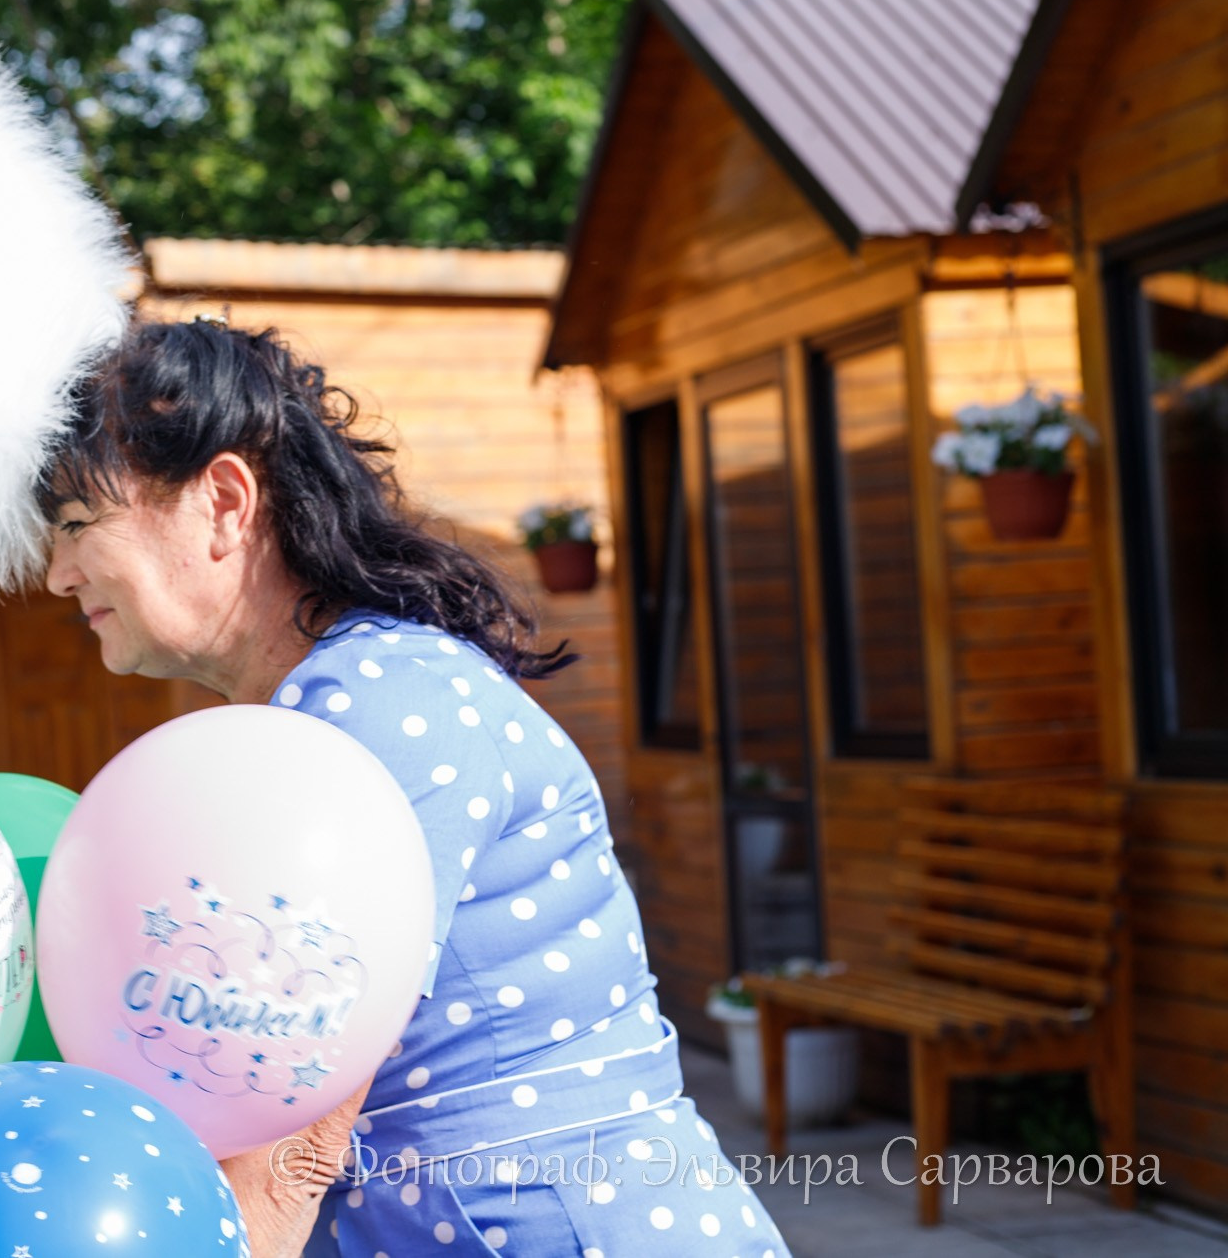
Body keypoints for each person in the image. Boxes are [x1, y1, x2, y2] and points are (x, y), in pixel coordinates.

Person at [40, 318, 793, 1258]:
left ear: (224, 501)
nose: (57, 574)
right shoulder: (328, 704)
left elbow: (304, 1059)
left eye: (78, 525)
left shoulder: (376, 697)